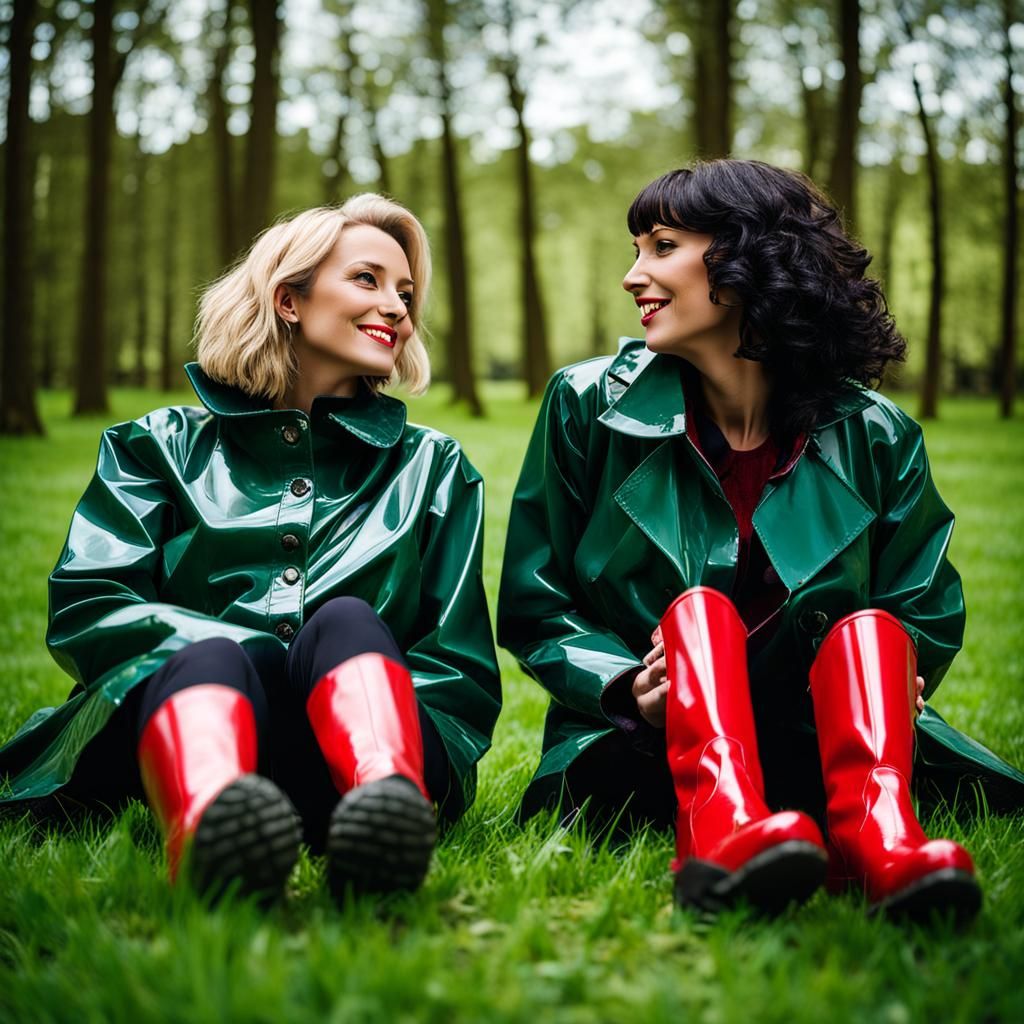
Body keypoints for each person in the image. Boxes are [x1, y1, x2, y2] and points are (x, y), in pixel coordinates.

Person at [498, 160, 1024, 923]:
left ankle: (878, 837)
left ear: (750, 259)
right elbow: (536, 601)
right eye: (637, 249)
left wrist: (901, 667)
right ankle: (718, 828)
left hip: (823, 749)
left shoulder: (877, 433)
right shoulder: (583, 404)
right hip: (650, 755)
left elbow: (922, 607)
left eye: (662, 246)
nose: (633, 276)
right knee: (699, 615)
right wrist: (625, 686)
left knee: (873, 632)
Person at [0, 195, 501, 905]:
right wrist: (252, 652)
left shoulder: (434, 467)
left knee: (348, 622)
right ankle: (213, 829)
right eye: (368, 279)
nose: (397, 308)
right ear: (288, 300)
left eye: (406, 292)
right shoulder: (155, 447)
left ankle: (387, 811)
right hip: (184, 725)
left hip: (363, 752)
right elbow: (91, 608)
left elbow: (456, 667)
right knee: (208, 654)